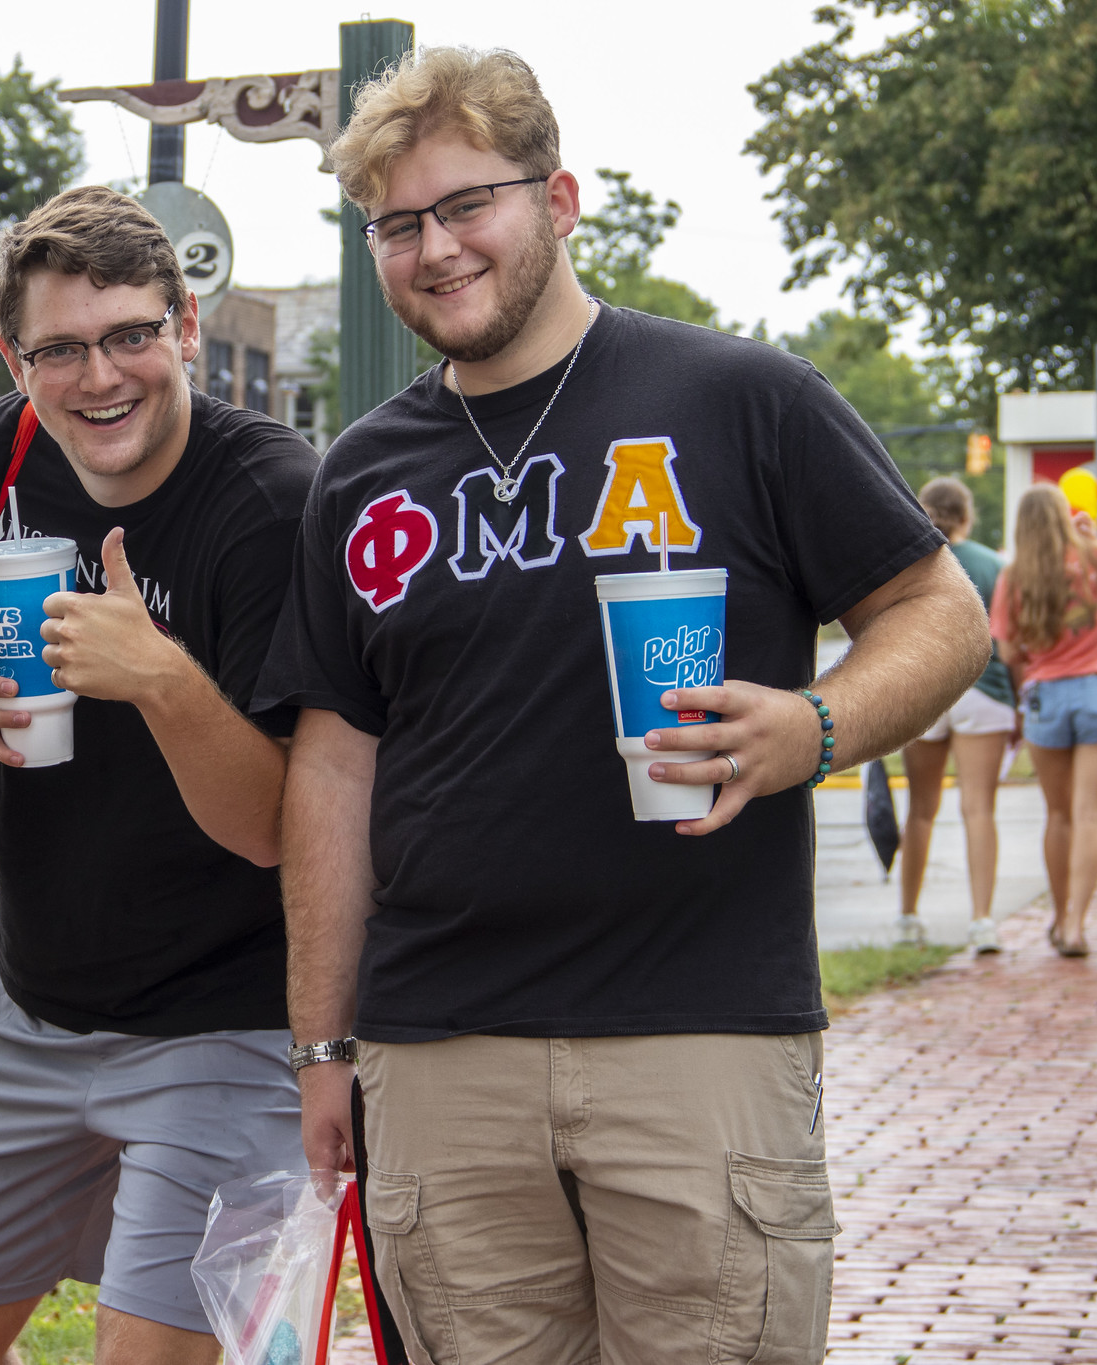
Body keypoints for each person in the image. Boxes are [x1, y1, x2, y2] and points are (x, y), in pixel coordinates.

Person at [254, 47, 992, 1365]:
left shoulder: (741, 399)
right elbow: (333, 772)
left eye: (466, 204)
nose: (435, 249)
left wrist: (809, 727)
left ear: (561, 199)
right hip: (438, 1052)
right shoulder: (360, 476)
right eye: (397, 225)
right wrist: (323, 1042)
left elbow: (939, 614)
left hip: (700, 1031)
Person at [0, 185, 319, 1365]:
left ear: (185, 325)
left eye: (130, 334)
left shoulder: (271, 502)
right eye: (60, 349)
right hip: (27, 1007)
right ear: (12, 359)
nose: (99, 377)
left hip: (221, 1025)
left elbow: (282, 827)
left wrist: (161, 679)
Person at [990, 481, 1097, 958]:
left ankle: (1058, 911)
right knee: (1091, 814)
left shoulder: (1016, 576)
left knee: (1059, 813)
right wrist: (1091, 542)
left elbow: (1006, 649)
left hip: (1045, 694)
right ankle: (1076, 925)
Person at [896, 477, 1017, 952]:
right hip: (983, 691)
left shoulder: (912, 556)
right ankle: (982, 920)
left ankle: (908, 916)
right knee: (978, 808)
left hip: (924, 692)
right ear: (968, 516)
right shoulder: (992, 565)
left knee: (921, 811)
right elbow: (1006, 641)